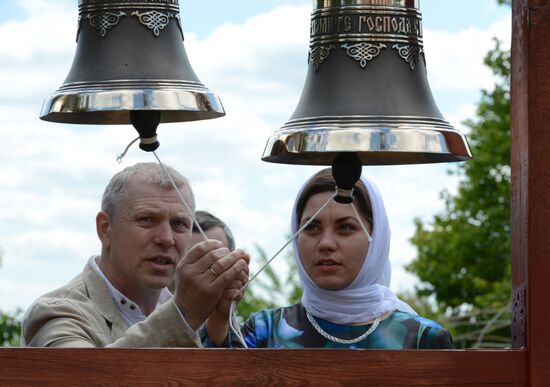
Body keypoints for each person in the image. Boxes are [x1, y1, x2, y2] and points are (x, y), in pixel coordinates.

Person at [207, 168, 453, 349]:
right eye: (311, 228)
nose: (325, 243)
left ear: (376, 238)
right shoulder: (266, 330)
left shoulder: (424, 339)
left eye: (345, 227)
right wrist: (218, 317)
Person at [22, 162, 249, 347]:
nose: (166, 238)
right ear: (105, 228)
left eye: (179, 223)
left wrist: (218, 326)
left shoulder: (195, 315)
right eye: (147, 220)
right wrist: (183, 313)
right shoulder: (58, 312)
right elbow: (88, 378)